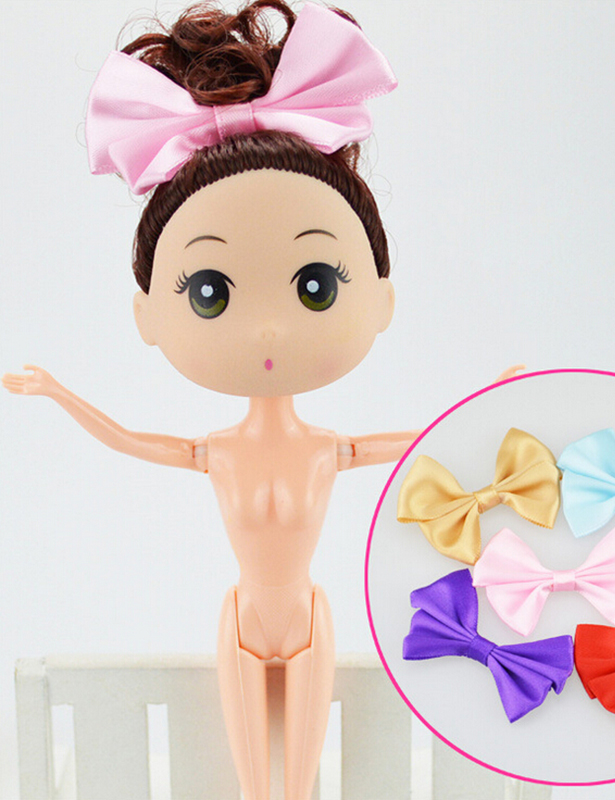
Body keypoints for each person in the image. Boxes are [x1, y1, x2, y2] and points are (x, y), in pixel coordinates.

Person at [3, 2, 417, 798]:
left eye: (316, 285)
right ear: (148, 316)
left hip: (310, 619)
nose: (267, 328)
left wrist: (492, 401)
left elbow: (414, 440)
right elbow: (127, 438)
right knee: (255, 785)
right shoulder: (217, 452)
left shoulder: (326, 448)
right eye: (210, 291)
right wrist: (56, 392)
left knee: (296, 784)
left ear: (381, 300)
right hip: (241, 621)